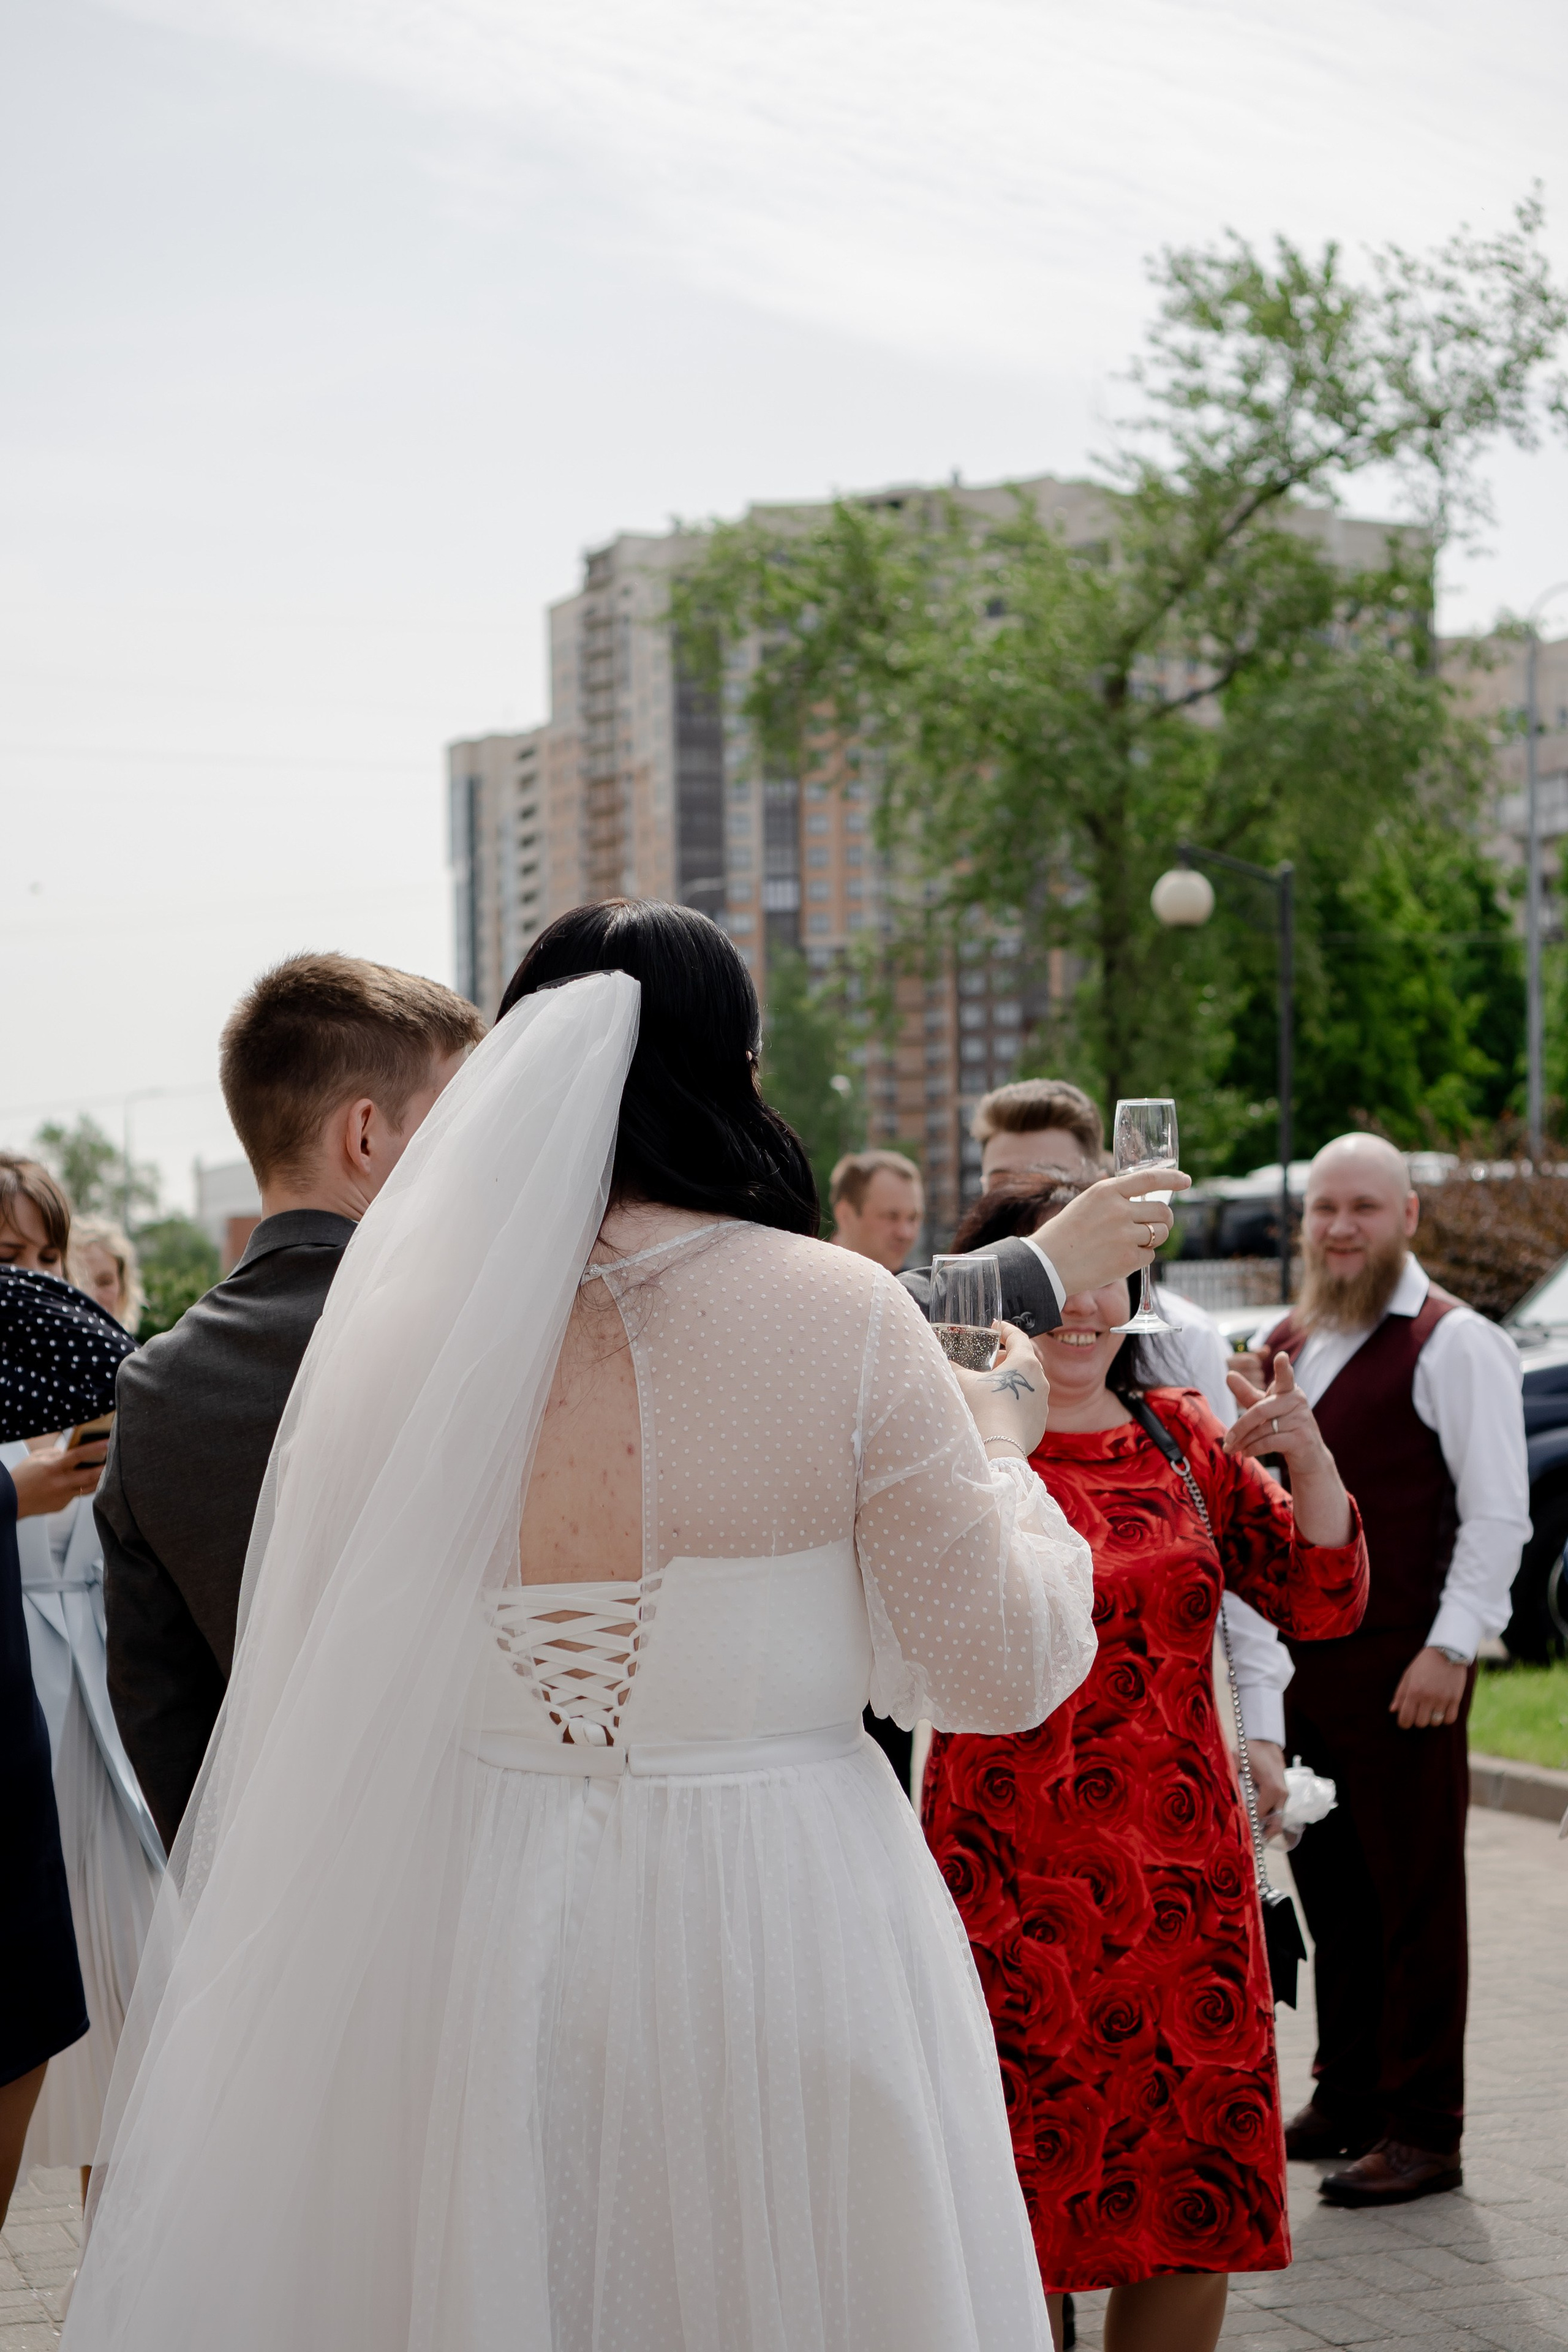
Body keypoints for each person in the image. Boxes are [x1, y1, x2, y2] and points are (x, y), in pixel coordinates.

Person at [66, 900, 1100, 2352]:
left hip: (480, 1911)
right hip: (781, 1903)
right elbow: (997, 1665)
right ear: (733, 1068)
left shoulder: (406, 1336)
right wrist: (1004, 1452)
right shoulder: (842, 1315)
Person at [922, 1182, 1368, 2352]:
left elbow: (1320, 1601)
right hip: (1000, 1895)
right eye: (1054, 1275)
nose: (1082, 1306)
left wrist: (1311, 1460)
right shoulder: (939, 1455)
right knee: (1004, 2214)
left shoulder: (1182, 1432)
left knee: (1190, 2209)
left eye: (1109, 1273)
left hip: (1182, 1903)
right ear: (992, 1298)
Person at [97, 953, 483, 1853]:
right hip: (486, 1869)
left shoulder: (153, 1388)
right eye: (456, 1119)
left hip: (277, 1886)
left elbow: (160, 1709)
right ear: (364, 1136)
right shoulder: (462, 1336)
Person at [1259, 1133, 1530, 2206]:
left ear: (1408, 1217)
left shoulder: (1454, 1343)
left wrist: (1452, 1646)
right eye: (1324, 1208)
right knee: (1335, 1897)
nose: (1338, 1228)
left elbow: (1500, 1511)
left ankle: (1428, 2128)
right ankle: (1352, 2092)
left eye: (1363, 1207)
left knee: (1419, 1905)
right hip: (1308, 1676)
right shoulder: (1294, 1338)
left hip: (1408, 1675)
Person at [968, 1082, 1298, 1826]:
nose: (1071, 1295)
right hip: (1001, 1827)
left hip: (1175, 1821)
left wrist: (1265, 1729)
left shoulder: (1179, 1363)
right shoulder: (947, 1405)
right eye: (1002, 1191)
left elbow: (1248, 1573)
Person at [0, 1166, 163, 2206]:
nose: (32, 1284)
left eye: (43, 1260)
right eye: (11, 1259)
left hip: (105, 1731)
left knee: (136, 2021)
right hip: (17, 1715)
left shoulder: (100, 1386)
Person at [829, 1147, 924, 1271]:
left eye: (913, 1218)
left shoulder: (919, 1288)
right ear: (845, 1215)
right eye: (891, 1217)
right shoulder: (811, 1282)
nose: (905, 1233)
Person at [69, 1216, 145, 1336]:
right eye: (80, 1284)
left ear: (123, 1286)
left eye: (105, 1282)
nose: (92, 1296)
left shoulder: (137, 1352)